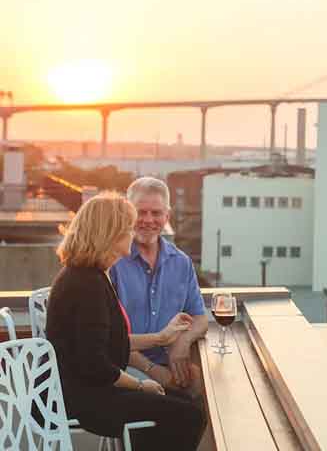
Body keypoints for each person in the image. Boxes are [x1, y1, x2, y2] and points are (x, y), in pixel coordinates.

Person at [46, 192, 205, 450]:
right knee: (189, 416)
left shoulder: (89, 275)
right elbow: (95, 364)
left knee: (185, 405)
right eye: (127, 228)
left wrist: (161, 338)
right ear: (110, 233)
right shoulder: (88, 284)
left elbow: (105, 341)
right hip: (83, 396)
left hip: (87, 387)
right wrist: (141, 385)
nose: (132, 233)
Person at [111, 176, 209, 393]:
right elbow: (108, 340)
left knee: (212, 389)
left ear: (167, 216)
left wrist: (182, 343)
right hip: (123, 367)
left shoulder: (181, 262)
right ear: (128, 213)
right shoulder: (113, 261)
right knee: (183, 410)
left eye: (156, 213)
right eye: (140, 212)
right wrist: (153, 370)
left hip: (168, 364)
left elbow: (200, 318)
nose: (148, 220)